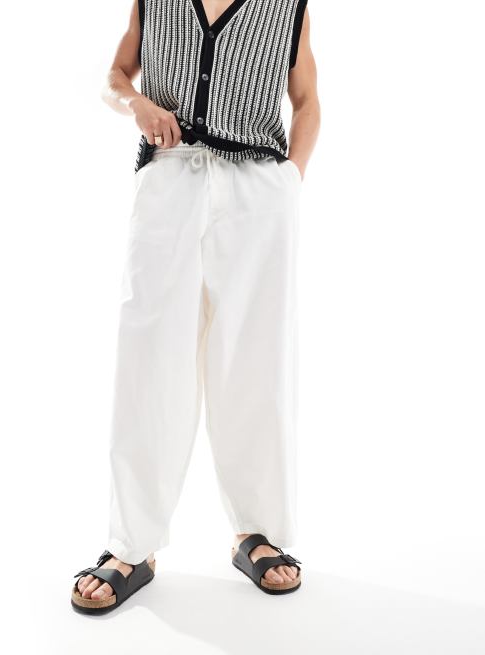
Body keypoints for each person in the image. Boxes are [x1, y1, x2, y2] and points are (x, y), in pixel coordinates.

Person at [71, 0, 320, 613]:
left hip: (260, 189)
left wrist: (290, 180)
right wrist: (136, 104)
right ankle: (131, 545)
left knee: (254, 363)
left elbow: (307, 101)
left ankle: (258, 532)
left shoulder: (288, 6)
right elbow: (114, 75)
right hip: (170, 179)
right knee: (149, 359)